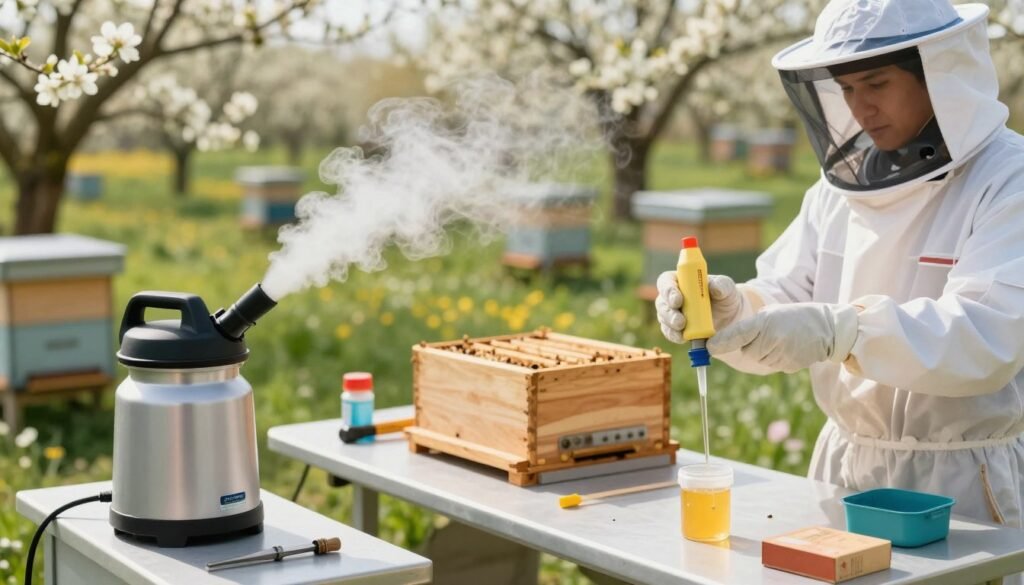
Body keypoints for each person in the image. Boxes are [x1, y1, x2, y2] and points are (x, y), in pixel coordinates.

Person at [656, 0, 1024, 555]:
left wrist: (843, 332)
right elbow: (788, 295)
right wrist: (734, 310)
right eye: (846, 88)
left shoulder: (1008, 180)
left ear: (939, 76)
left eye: (875, 83)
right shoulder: (836, 192)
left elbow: (986, 336)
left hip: (964, 482)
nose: (859, 107)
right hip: (844, 467)